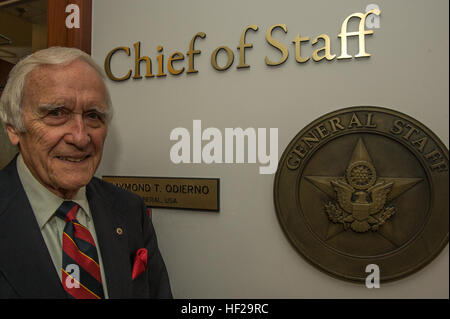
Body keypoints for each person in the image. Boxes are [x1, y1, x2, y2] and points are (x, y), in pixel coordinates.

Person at [0, 47, 172, 299]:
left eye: (93, 115)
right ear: (14, 128)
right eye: (57, 113)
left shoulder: (129, 210)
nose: (81, 137)